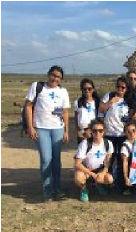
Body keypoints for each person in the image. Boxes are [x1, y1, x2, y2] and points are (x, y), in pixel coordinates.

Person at [25, 65, 70, 201]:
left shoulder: (63, 91)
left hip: (58, 128)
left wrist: (67, 130)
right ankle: (47, 190)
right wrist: (30, 127)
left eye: (58, 77)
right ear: (48, 74)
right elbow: (28, 106)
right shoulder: (37, 87)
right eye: (53, 75)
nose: (55, 78)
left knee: (56, 160)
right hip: (41, 128)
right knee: (46, 159)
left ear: (61, 79)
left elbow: (65, 112)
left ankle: (57, 189)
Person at [99, 76, 130, 192]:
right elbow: (101, 109)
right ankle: (106, 183)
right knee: (108, 160)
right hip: (109, 134)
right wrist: (111, 102)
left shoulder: (128, 100)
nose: (120, 89)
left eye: (123, 87)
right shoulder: (109, 95)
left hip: (122, 134)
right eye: (118, 86)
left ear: (126, 89)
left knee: (122, 160)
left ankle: (121, 185)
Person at [74, 120, 113, 202]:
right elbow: (77, 164)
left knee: (109, 179)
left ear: (104, 131)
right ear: (91, 131)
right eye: (95, 131)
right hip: (86, 169)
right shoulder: (85, 143)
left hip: (99, 169)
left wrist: (102, 173)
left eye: (100, 130)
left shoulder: (108, 143)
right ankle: (84, 190)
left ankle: (99, 184)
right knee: (79, 178)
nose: (97, 133)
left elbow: (107, 162)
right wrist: (91, 174)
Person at [74, 78, 101, 144]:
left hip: (95, 132)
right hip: (82, 133)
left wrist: (90, 130)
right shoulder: (77, 102)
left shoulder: (97, 102)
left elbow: (100, 118)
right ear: (82, 90)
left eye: (89, 88)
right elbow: (76, 119)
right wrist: (78, 132)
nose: (87, 90)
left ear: (93, 89)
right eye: (84, 89)